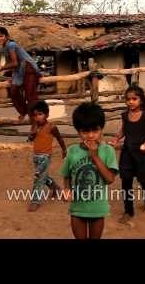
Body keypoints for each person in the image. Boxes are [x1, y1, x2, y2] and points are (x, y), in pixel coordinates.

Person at [61, 102, 118, 239]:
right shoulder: (72, 151)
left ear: (101, 129)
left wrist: (95, 156)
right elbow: (67, 175)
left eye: (95, 131)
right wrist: (67, 189)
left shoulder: (107, 151)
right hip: (77, 209)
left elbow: (110, 179)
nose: (91, 135)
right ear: (78, 131)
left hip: (98, 209)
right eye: (85, 131)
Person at [109, 84, 145, 224]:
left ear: (141, 100)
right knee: (126, 181)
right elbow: (123, 130)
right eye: (128, 99)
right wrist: (116, 139)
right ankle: (128, 211)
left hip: (142, 154)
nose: (130, 102)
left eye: (134, 99)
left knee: (144, 180)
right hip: (127, 153)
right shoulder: (125, 116)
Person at [0, 27, 42, 121]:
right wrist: (9, 73)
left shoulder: (11, 45)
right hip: (19, 70)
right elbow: (13, 64)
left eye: (1, 36)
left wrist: (1, 68)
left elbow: (14, 63)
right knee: (13, 91)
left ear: (7, 36)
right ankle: (24, 111)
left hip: (28, 68)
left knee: (30, 95)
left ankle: (34, 119)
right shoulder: (5, 48)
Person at [27, 100, 67, 212]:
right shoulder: (34, 126)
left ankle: (35, 201)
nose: (37, 117)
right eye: (35, 115)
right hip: (36, 156)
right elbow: (30, 139)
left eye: (40, 114)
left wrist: (64, 150)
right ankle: (55, 188)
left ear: (46, 114)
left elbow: (60, 138)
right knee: (43, 176)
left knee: (38, 177)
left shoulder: (51, 127)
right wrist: (32, 134)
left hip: (45, 156)